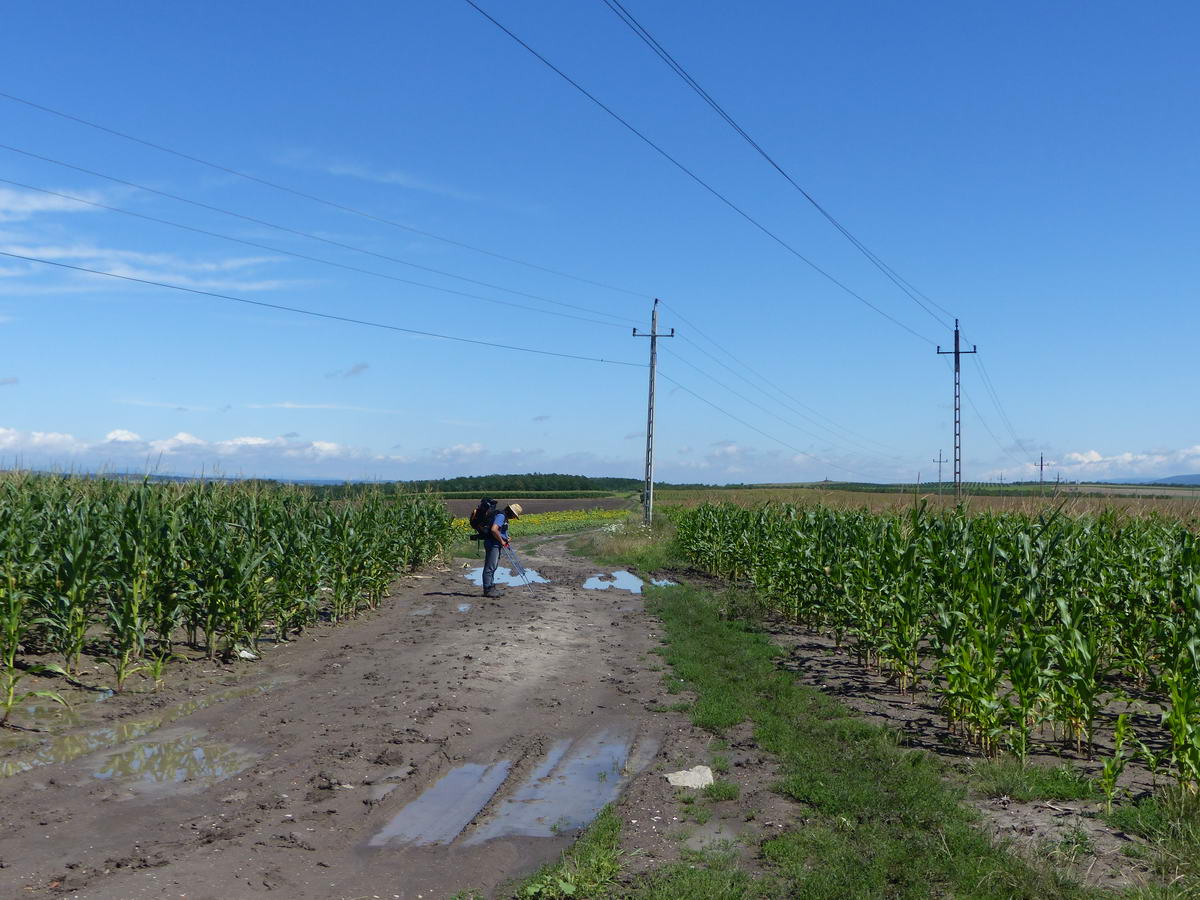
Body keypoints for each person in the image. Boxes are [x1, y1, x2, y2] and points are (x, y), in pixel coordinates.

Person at [482, 502, 522, 597]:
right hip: (493, 544)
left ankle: (491, 587)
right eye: (514, 515)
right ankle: (488, 589)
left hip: (495, 543)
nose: (514, 517)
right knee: (490, 567)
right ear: (511, 512)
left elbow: (500, 531)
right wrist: (502, 541)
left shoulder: (503, 516)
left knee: (493, 566)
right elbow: (494, 530)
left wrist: (506, 538)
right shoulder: (501, 516)